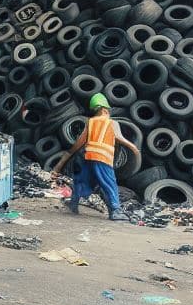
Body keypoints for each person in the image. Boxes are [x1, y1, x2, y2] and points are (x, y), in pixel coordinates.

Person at [52, 93, 138, 221]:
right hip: (103, 158)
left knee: (81, 179)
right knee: (109, 183)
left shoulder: (90, 122)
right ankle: (115, 211)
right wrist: (134, 148)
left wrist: (60, 163)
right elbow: (119, 138)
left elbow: (78, 144)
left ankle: (73, 204)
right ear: (104, 109)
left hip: (88, 156)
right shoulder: (112, 123)